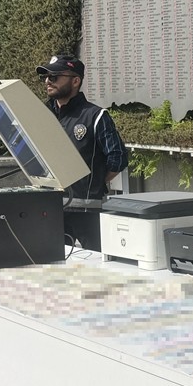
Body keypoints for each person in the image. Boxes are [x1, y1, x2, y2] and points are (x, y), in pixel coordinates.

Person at [37, 54, 129, 252]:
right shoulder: (43, 115)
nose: (47, 81)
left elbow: (118, 158)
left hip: (88, 210)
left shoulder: (95, 115)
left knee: (97, 264)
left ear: (75, 80)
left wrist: (93, 182)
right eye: (45, 77)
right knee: (54, 266)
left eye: (54, 77)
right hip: (52, 208)